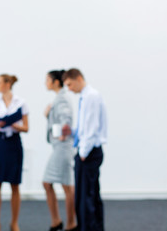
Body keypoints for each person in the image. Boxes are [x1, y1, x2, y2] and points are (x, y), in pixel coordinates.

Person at [62, 68, 107, 231]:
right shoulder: (85, 97)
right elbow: (85, 127)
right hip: (86, 150)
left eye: (69, 84)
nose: (69, 88)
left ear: (79, 78)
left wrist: (83, 152)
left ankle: (89, 228)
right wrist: (72, 132)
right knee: (89, 194)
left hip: (88, 153)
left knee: (86, 196)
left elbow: (92, 127)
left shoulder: (91, 96)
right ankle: (92, 227)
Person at [0, 74, 29, 231]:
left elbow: (26, 127)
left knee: (15, 185)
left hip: (14, 144)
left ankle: (14, 223)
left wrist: (14, 125)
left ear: (7, 84)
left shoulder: (21, 103)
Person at [43, 70, 77, 231]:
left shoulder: (62, 98)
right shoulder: (59, 98)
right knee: (55, 183)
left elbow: (66, 120)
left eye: (48, 80)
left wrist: (62, 134)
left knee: (66, 185)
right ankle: (57, 221)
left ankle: (70, 223)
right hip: (59, 146)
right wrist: (48, 115)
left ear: (56, 82)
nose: (45, 82)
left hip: (63, 147)